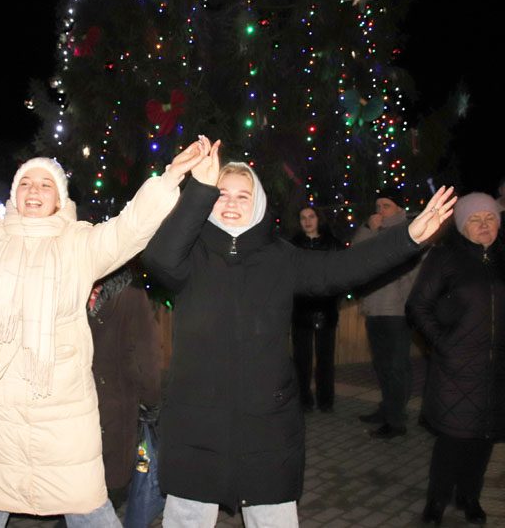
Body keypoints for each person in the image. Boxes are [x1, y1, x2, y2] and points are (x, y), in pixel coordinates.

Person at [0, 76, 206, 526]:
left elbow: (131, 227)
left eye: (45, 185)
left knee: (89, 510)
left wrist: (171, 178)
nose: (33, 191)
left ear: (60, 199)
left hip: (63, 421)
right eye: (26, 183)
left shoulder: (80, 244)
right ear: (14, 194)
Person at [141, 155, 455, 527]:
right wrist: (199, 189)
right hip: (197, 423)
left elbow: (341, 269)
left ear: (257, 203)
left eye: (242, 196)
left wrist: (408, 237)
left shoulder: (280, 257)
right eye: (221, 194)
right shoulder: (189, 254)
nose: (230, 203)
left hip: (267, 424)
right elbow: (158, 260)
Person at [406, 193, 505, 526]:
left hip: (496, 370)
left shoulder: (503, 258)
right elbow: (418, 305)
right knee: (452, 440)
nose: (483, 224)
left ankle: (469, 496)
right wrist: (443, 344)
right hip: (457, 368)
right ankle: (437, 500)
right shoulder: (445, 257)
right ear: (462, 226)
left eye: (490, 218)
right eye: (475, 219)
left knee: (484, 439)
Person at [87, 266, 162, 507]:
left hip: (79, 405)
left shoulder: (69, 289)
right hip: (116, 405)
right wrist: (151, 403)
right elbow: (147, 359)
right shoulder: (131, 295)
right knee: (109, 490)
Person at [353, 188, 422, 438]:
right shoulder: (374, 229)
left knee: (396, 368)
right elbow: (355, 257)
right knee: (382, 365)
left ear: (398, 208)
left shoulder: (407, 230)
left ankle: (396, 420)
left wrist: (407, 302)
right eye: (378, 206)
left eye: (386, 205)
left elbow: (407, 267)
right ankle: (387, 409)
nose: (380, 210)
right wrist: (368, 228)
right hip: (374, 308)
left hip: (396, 311)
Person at [290, 206, 342, 412]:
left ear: (318, 219)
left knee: (325, 359)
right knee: (301, 360)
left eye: (311, 216)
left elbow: (341, 274)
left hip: (326, 308)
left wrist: (333, 296)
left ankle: (325, 400)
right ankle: (303, 400)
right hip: (300, 309)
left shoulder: (333, 244)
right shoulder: (292, 245)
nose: (307, 221)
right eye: (303, 217)